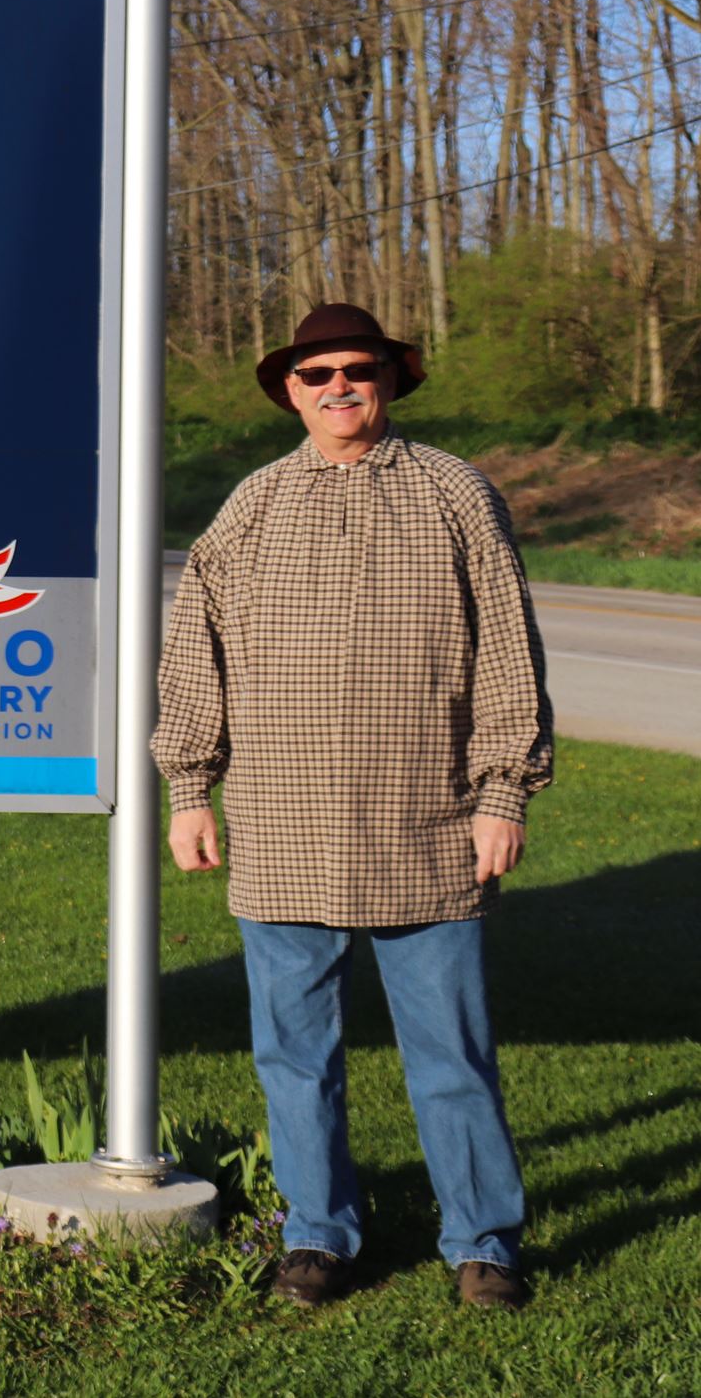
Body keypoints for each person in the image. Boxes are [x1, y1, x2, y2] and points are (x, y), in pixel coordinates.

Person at [152, 302, 553, 1312]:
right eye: (315, 370)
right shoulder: (248, 504)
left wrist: (500, 789)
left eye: (356, 367)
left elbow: (506, 647)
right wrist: (187, 785)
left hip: (426, 821)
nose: (337, 384)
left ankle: (482, 1241)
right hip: (280, 823)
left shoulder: (453, 492)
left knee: (449, 1055)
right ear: (289, 388)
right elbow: (194, 647)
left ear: (389, 379)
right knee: (293, 1053)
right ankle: (318, 1234)